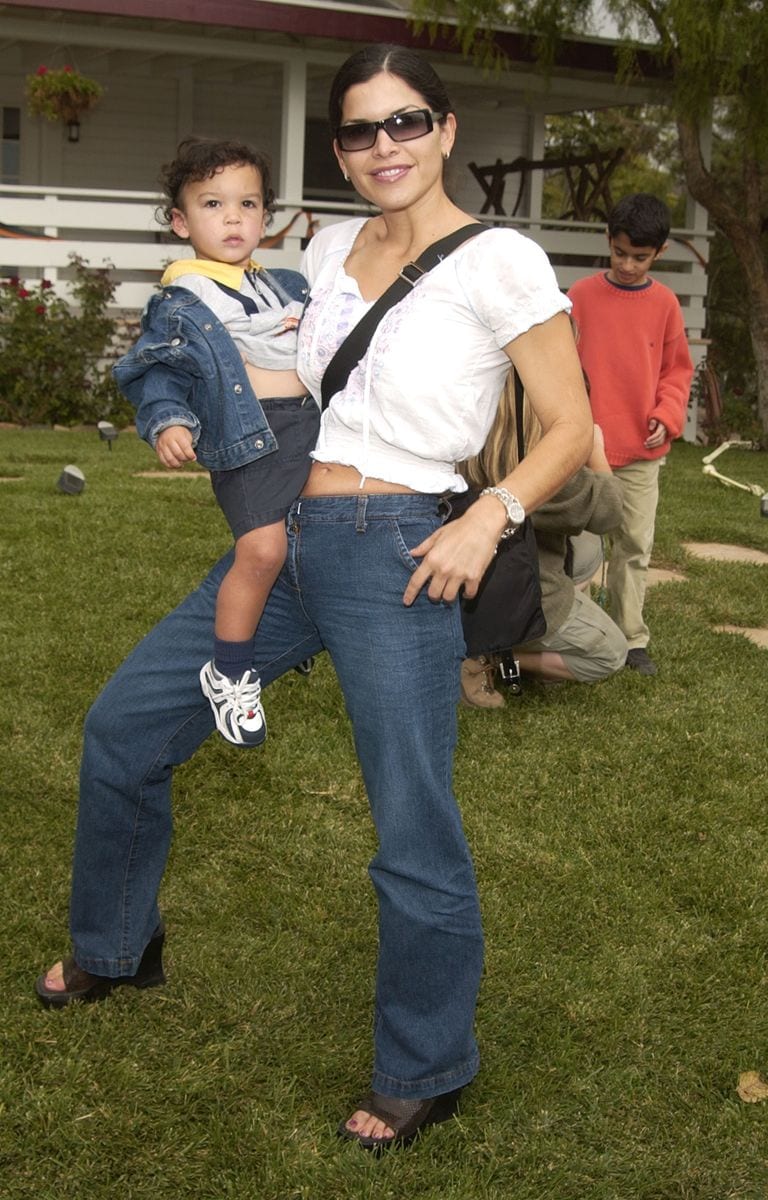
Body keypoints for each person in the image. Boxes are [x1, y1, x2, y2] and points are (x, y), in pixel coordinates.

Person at [35, 44, 593, 1150]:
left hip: (402, 549)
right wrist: (179, 403)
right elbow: (264, 358)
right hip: (291, 534)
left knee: (410, 823)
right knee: (125, 732)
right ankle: (114, 947)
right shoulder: (328, 247)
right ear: (337, 148)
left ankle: (427, 1066)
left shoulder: (502, 261)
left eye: (404, 123)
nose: (382, 146)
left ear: (444, 131)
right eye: (357, 130)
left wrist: (489, 517)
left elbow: (573, 429)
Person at [114, 138, 320, 746]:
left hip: (312, 429)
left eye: (248, 203)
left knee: (310, 537)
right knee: (260, 551)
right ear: (180, 222)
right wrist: (168, 421)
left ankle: (288, 633)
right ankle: (228, 672)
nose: (233, 218)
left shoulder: (282, 284)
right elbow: (155, 371)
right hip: (252, 439)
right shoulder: (182, 299)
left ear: (265, 216)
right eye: (212, 204)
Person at [568, 193, 694, 676]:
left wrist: (667, 411)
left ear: (658, 253)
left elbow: (677, 371)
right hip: (581, 446)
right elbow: (560, 365)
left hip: (642, 450)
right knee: (572, 547)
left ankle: (631, 639)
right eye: (619, 252)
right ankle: (566, 624)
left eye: (639, 257)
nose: (626, 264)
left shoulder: (664, 304)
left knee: (634, 547)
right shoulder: (579, 295)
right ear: (609, 241)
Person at [459, 407, 627, 708]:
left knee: (585, 551)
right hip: (520, 599)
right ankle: (496, 658)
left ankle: (483, 645)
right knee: (610, 653)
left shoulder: (458, 450)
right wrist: (595, 448)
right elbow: (610, 511)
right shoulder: (545, 472)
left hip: (459, 589)